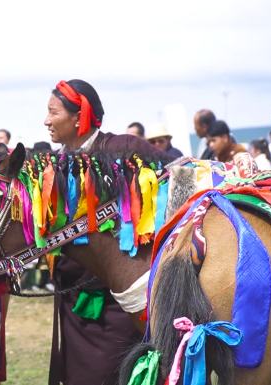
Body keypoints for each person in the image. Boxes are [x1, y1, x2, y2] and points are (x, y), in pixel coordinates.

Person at [44, 79, 164, 385]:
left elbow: (165, 194)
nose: (46, 121)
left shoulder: (123, 150)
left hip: (117, 306)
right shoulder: (56, 165)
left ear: (78, 115)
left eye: (52, 112)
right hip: (73, 301)